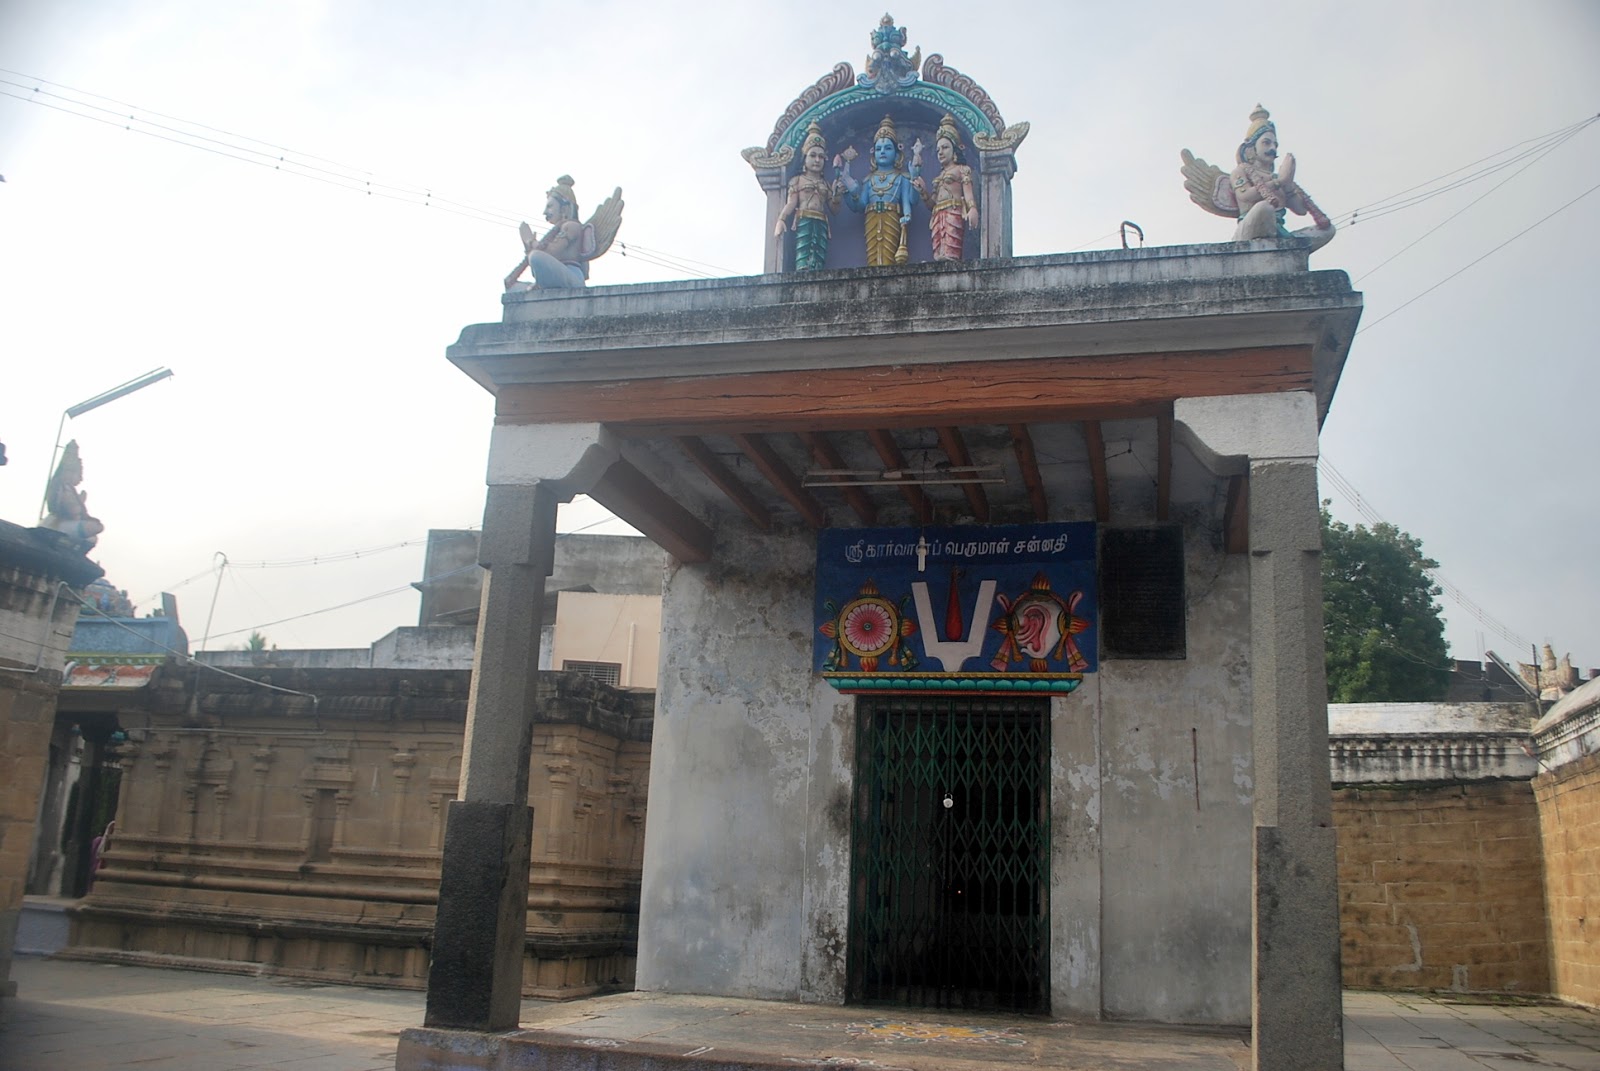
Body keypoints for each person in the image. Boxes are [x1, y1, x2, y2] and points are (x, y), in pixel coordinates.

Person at [1229, 105, 1331, 241]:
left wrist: (1288, 184)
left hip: (1279, 233)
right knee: (1265, 208)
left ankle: (1282, 243)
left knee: (1328, 230)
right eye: (1266, 143)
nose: (1272, 148)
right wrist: (1278, 182)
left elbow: (1301, 211)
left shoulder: (1278, 176)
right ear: (1252, 147)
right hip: (1249, 232)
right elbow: (1245, 196)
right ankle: (1276, 243)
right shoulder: (1240, 171)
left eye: (1275, 145)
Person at [837, 114, 917, 267]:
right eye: (879, 148)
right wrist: (849, 193)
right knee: (873, 256)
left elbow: (910, 201)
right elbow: (860, 206)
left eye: (888, 148)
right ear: (873, 153)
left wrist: (907, 215)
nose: (882, 152)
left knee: (890, 256)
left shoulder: (902, 178)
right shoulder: (868, 180)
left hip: (892, 217)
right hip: (871, 218)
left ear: (897, 152)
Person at [774, 122, 839, 271]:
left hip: (821, 222)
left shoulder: (826, 184)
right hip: (804, 220)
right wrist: (781, 219)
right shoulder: (797, 180)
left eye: (821, 157)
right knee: (803, 254)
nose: (817, 160)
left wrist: (837, 194)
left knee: (819, 255)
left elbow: (834, 209)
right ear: (804, 158)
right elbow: (791, 203)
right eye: (813, 155)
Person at [506, 175, 590, 290]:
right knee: (514, 289)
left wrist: (530, 242)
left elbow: (552, 253)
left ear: (564, 208)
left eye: (550, 206)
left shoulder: (572, 226)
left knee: (536, 257)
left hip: (572, 277)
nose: (545, 212)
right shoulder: (558, 229)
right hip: (558, 275)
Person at [915, 114, 978, 261]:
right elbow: (932, 204)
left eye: (945, 148)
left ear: (955, 149)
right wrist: (923, 191)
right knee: (939, 251)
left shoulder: (962, 170)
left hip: (954, 212)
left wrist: (972, 209)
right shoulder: (939, 176)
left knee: (951, 248)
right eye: (938, 150)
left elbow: (968, 195)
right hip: (938, 215)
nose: (940, 153)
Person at [43, 440, 104, 548]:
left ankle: (72, 545)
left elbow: (80, 513)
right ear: (68, 472)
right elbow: (64, 509)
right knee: (93, 528)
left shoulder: (71, 490)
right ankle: (63, 539)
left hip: (70, 523)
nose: (79, 478)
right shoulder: (59, 487)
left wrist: (81, 502)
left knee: (93, 536)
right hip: (57, 523)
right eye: (77, 474)